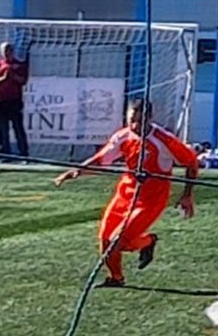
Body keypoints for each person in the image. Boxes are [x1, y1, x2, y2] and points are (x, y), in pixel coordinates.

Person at [56, 98, 199, 286]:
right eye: (131, 119)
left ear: (150, 118)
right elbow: (101, 160)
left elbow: (192, 162)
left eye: (139, 121)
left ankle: (147, 242)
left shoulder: (164, 140)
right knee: (105, 240)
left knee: (119, 242)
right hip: (124, 196)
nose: (134, 125)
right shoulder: (122, 137)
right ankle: (116, 278)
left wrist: (187, 195)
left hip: (150, 200)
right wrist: (77, 171)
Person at [0, 41, 30, 159]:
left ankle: (24, 154)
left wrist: (12, 75)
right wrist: (4, 77)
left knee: (18, 128)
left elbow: (23, 81)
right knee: (2, 129)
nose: (7, 53)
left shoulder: (20, 65)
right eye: (5, 50)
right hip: (0, 101)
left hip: (14, 101)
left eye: (10, 50)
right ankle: (5, 154)